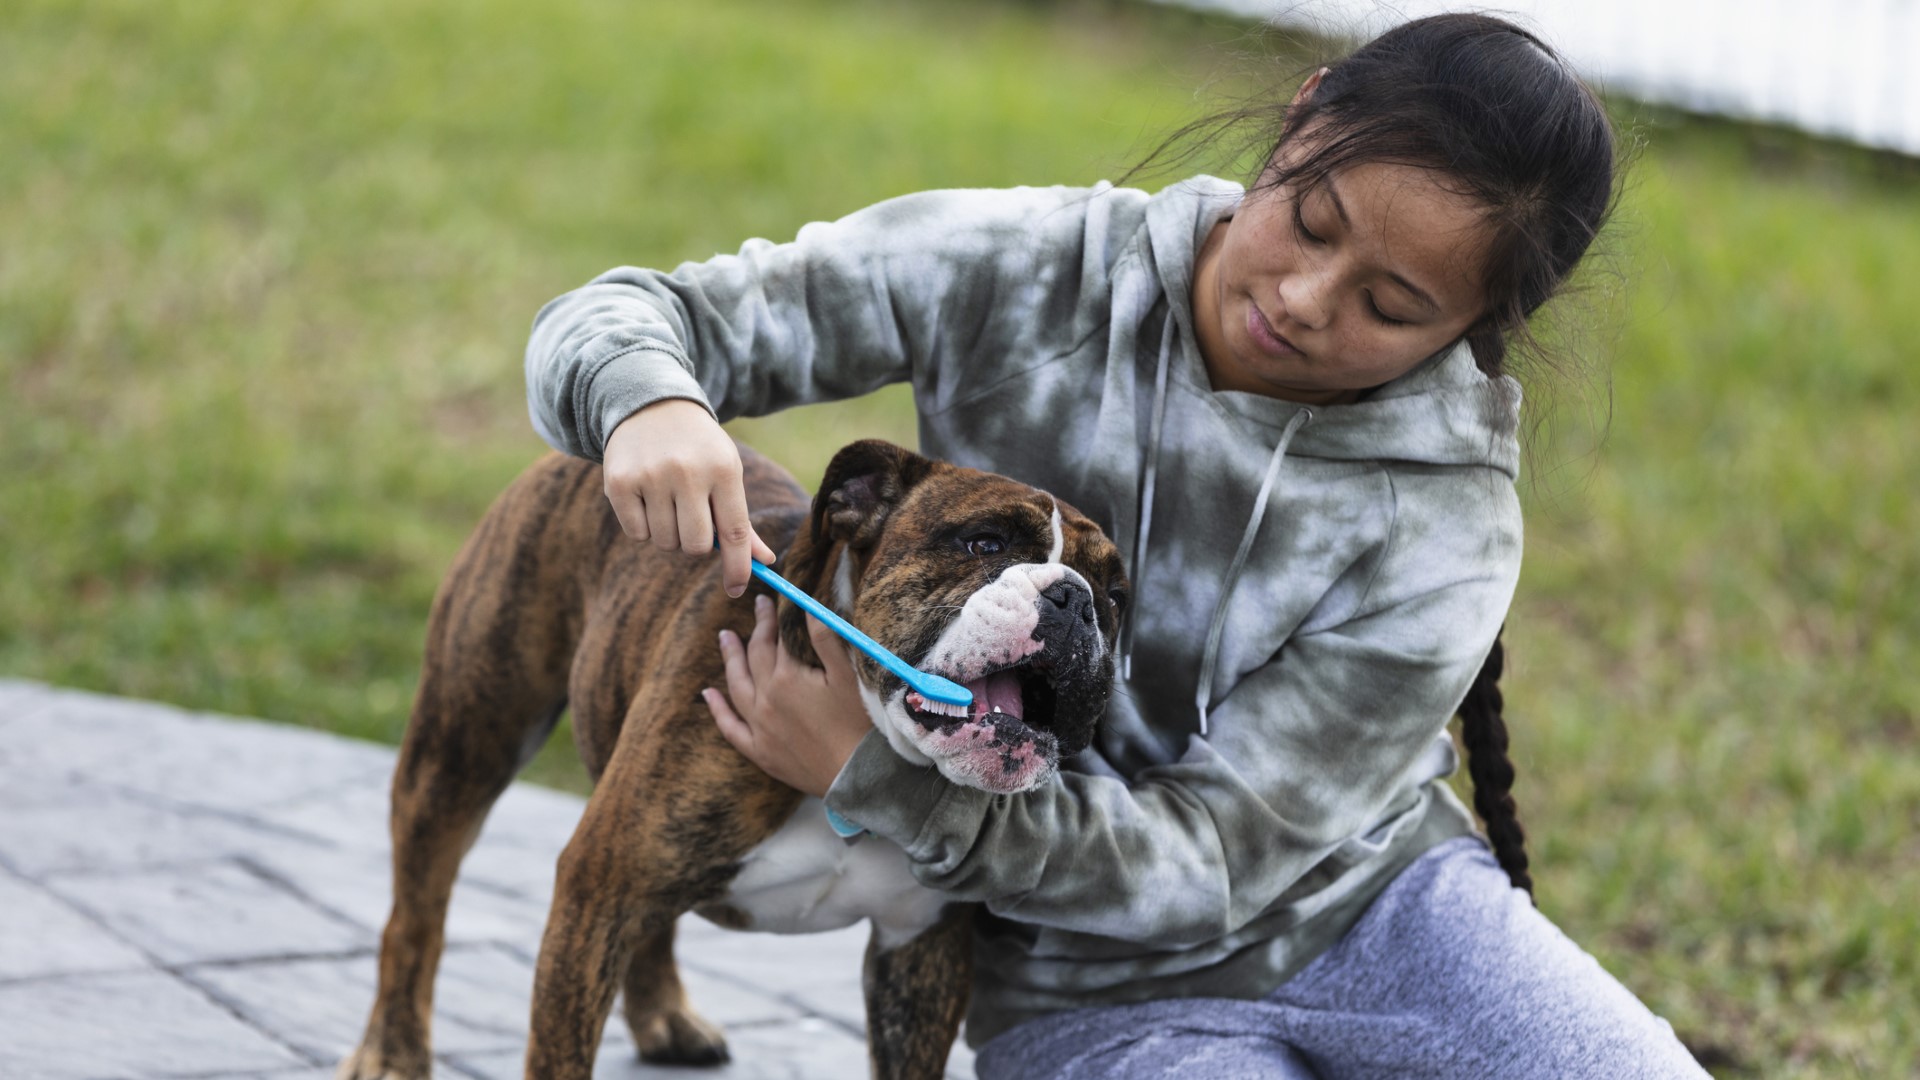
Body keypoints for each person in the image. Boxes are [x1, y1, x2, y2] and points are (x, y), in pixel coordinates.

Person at [523, 13, 1706, 1078]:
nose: (1304, 296)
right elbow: (635, 314)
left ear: (1480, 324)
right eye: (1309, 218)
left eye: (1389, 306)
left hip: (1383, 912)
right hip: (1079, 976)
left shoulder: (1447, 515)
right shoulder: (1027, 273)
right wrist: (648, 397)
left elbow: (1212, 857)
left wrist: (873, 773)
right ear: (1301, 117)